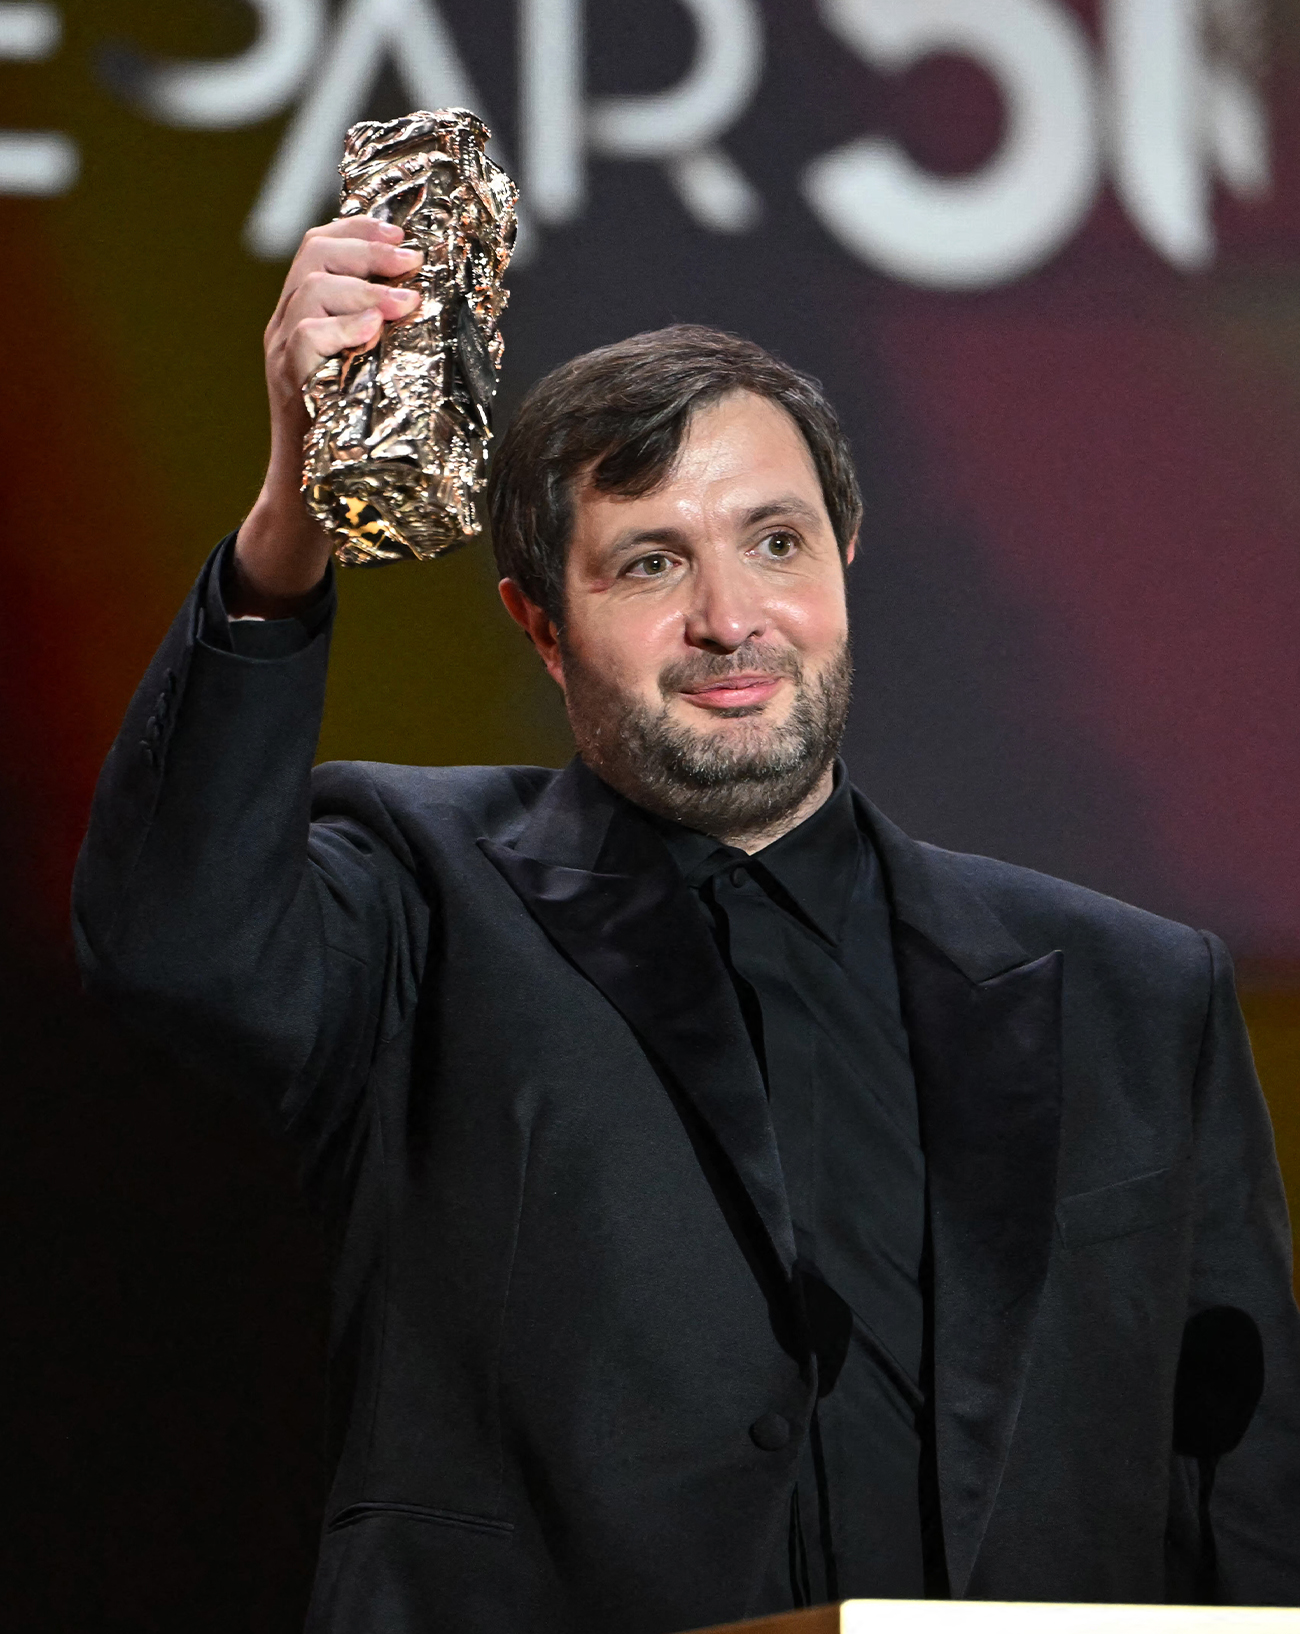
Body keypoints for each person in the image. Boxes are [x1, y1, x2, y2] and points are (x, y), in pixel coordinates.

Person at [73, 217, 1300, 1634]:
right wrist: (293, 521)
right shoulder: (419, 898)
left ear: (845, 557)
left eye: (774, 543)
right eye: (649, 564)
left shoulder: (1136, 995)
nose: (731, 618)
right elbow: (174, 944)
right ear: (541, 625)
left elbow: (1250, 1498)